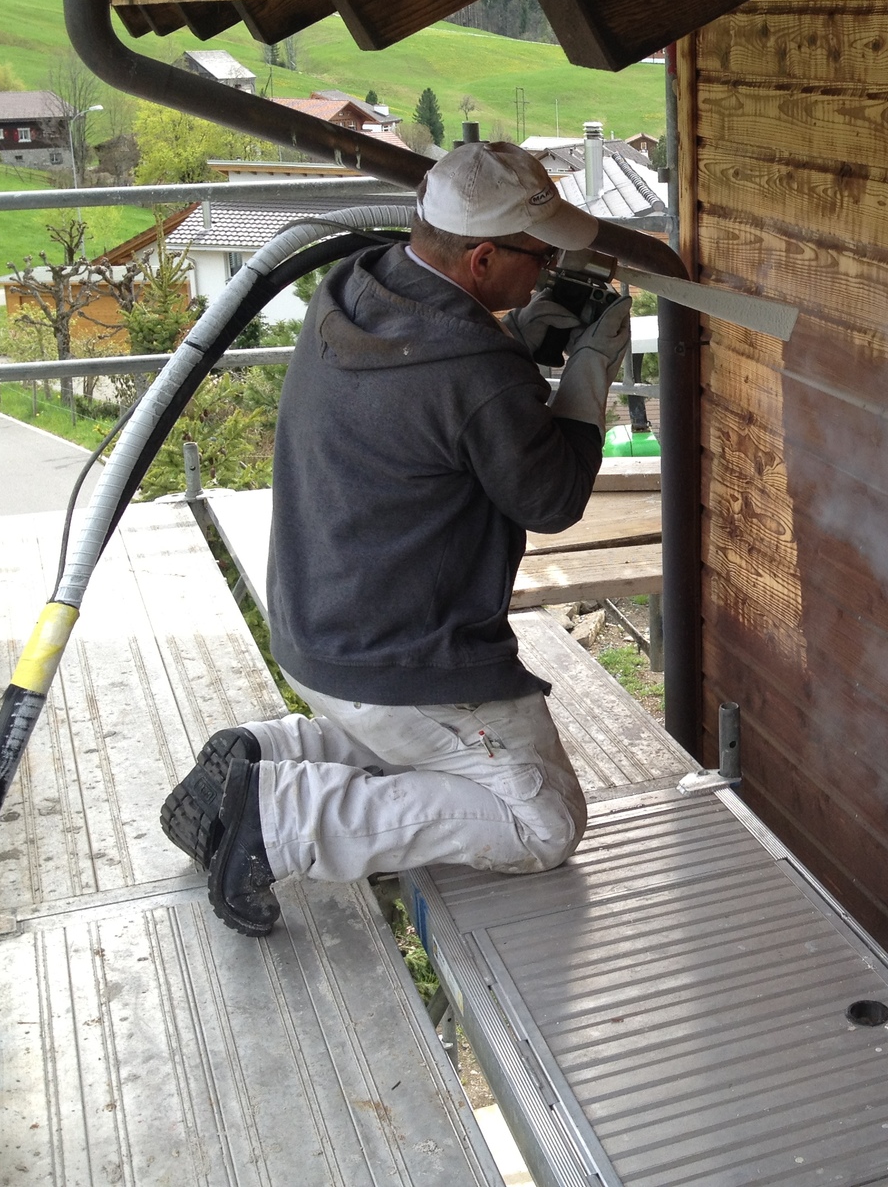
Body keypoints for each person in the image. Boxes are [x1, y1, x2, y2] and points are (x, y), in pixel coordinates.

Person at [158, 141, 632, 936]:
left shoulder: (354, 284)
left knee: (432, 756)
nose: (548, 268)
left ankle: (262, 752)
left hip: (320, 632)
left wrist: (521, 336)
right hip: (406, 663)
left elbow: (441, 387)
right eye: (539, 256)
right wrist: (589, 368)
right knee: (543, 820)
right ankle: (280, 819)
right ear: (482, 258)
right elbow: (550, 495)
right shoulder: (477, 370)